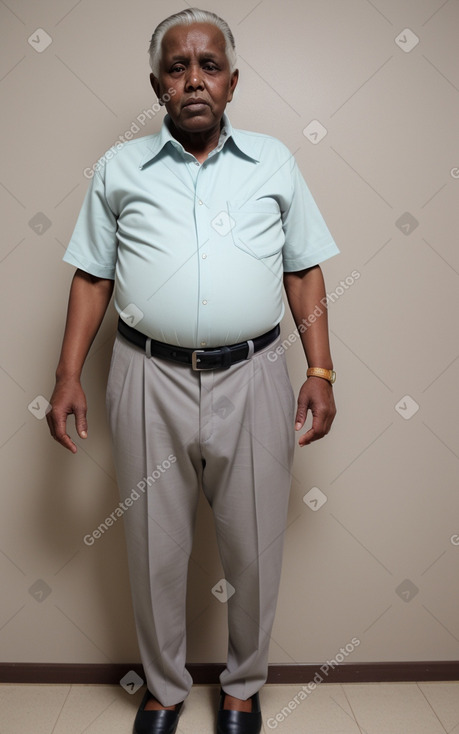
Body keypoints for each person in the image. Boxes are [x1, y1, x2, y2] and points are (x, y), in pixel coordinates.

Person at [47, 8, 339, 734]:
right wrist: (66, 376)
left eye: (208, 65)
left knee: (254, 547)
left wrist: (321, 370)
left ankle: (242, 688)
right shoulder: (118, 170)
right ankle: (166, 689)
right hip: (148, 377)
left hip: (255, 374)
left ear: (231, 82)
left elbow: (302, 268)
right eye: (177, 67)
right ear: (158, 85)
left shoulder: (274, 162)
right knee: (153, 546)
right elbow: (92, 277)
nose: (193, 79)